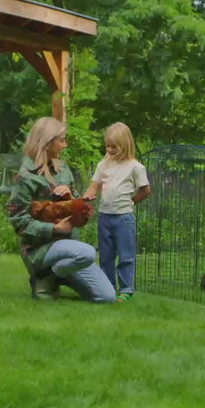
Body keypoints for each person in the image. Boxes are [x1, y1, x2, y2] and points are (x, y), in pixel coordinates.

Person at [6, 117, 117, 303]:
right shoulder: (26, 176)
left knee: (107, 297)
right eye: (62, 140)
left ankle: (57, 274)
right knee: (87, 253)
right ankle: (44, 275)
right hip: (40, 248)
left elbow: (79, 211)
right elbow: (18, 221)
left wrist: (71, 199)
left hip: (68, 247)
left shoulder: (63, 169)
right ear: (47, 142)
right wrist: (54, 229)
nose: (65, 145)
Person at [82, 122, 151, 303]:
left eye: (114, 146)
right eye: (108, 146)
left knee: (126, 255)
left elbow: (145, 190)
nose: (110, 149)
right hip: (105, 217)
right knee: (105, 256)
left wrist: (131, 202)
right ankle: (108, 288)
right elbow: (93, 186)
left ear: (125, 144)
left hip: (124, 218)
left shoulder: (135, 167)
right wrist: (87, 196)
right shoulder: (103, 165)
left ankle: (126, 289)